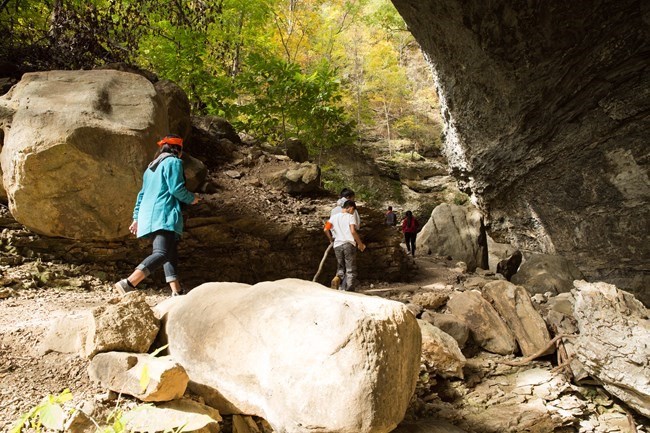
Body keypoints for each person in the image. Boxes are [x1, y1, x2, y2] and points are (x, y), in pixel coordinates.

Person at [114, 134, 199, 296]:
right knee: (161, 253)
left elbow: (142, 194)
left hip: (149, 216)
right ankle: (129, 283)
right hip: (163, 213)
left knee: (170, 251)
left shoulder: (150, 169)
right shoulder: (173, 162)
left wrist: (136, 217)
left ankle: (177, 292)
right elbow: (176, 189)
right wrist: (192, 198)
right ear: (178, 150)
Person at [324, 200, 366, 291]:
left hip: (337, 245)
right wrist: (360, 244)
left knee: (340, 268)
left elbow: (325, 229)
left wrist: (331, 239)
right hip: (348, 244)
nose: (353, 212)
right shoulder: (350, 217)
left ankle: (338, 285)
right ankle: (349, 290)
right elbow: (353, 231)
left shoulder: (333, 217)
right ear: (350, 207)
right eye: (353, 210)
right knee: (350, 269)